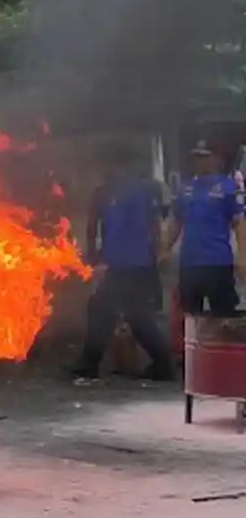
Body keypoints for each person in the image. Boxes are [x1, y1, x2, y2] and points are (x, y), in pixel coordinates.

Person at [73, 148, 174, 381]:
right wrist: (158, 253)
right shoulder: (144, 189)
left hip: (126, 263)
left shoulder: (110, 192)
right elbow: (155, 224)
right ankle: (162, 364)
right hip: (135, 262)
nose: (104, 171)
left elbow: (92, 226)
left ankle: (90, 364)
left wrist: (93, 254)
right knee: (132, 314)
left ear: (117, 166)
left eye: (108, 166)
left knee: (106, 311)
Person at [165, 140, 245, 316]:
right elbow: (176, 223)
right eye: (196, 157)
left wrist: (242, 256)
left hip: (218, 262)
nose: (199, 162)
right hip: (189, 264)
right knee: (190, 317)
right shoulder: (185, 188)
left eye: (204, 157)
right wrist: (164, 249)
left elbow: (239, 224)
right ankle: (193, 344)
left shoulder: (227, 187)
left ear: (216, 160)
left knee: (224, 316)